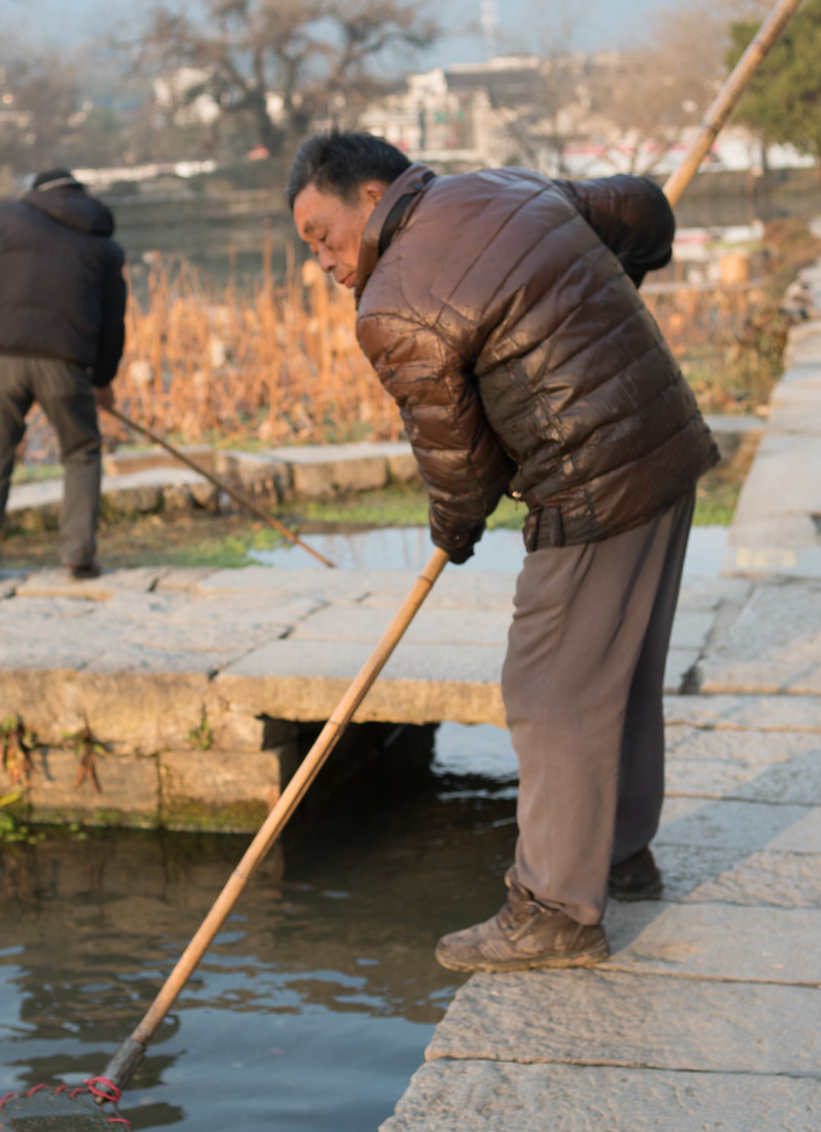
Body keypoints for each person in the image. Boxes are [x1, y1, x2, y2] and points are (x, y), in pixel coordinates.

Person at [288, 131, 718, 972]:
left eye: (322, 235)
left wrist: (453, 531)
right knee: (618, 672)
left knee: (548, 689)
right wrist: (624, 267)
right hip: (667, 443)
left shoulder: (393, 303)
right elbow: (642, 207)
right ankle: (619, 855)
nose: (324, 261)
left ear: (372, 197)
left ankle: (556, 906)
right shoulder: (504, 184)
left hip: (594, 479)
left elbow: (460, 461)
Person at [0, 167, 127, 583]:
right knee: (81, 451)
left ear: (35, 191)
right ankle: (79, 556)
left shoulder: (7, 218)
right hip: (64, 360)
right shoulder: (103, 246)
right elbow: (112, 324)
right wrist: (102, 379)